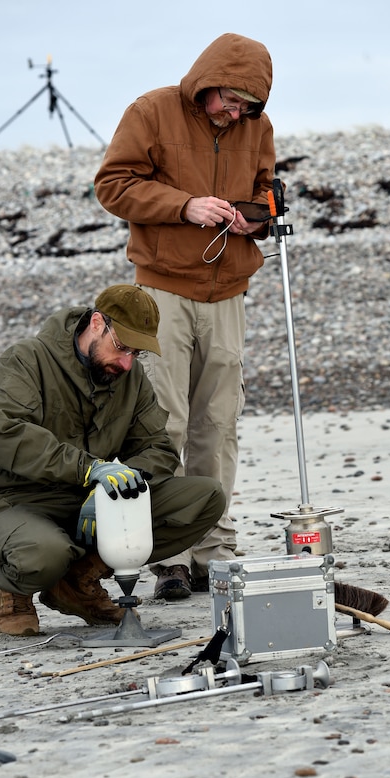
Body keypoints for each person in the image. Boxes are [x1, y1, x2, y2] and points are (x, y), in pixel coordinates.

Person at [94, 32, 276, 600]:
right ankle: (167, 554)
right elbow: (113, 185)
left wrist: (256, 218)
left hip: (229, 292)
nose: (235, 112)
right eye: (228, 99)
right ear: (205, 83)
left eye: (248, 105)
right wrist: (184, 205)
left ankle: (214, 551)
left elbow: (269, 194)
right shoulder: (150, 111)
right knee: (163, 421)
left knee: (218, 423)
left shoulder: (258, 129)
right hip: (163, 290)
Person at [0, 285, 225, 637]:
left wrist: (122, 481)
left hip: (88, 500)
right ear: (97, 323)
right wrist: (90, 470)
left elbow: (157, 446)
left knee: (204, 497)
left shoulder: (130, 376)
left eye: (136, 352)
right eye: (121, 347)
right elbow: (7, 433)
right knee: (45, 554)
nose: (127, 362)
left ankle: (77, 582)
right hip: (13, 502)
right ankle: (12, 590)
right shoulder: (26, 360)